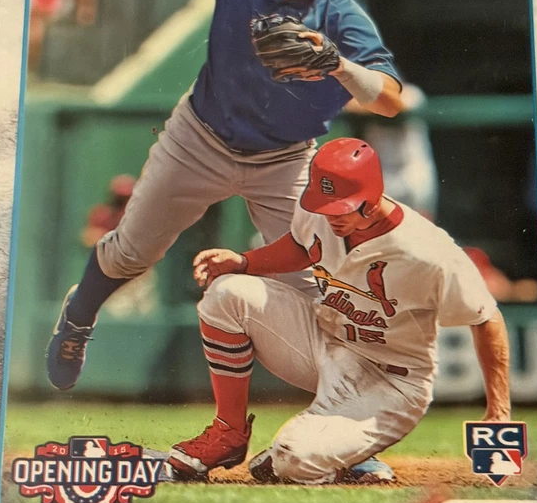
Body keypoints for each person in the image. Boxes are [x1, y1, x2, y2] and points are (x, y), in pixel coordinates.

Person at [46, 0, 404, 390]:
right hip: (200, 140)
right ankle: (79, 316)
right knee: (131, 252)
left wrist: (340, 65)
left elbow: (391, 101)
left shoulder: (340, 13)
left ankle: (344, 398)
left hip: (285, 159)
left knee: (314, 282)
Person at [166, 138, 511, 485]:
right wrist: (244, 261)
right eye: (323, 204)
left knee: (293, 459)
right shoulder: (321, 213)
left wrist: (498, 411)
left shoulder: (428, 252)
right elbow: (303, 246)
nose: (329, 215)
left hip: (390, 381)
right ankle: (229, 432)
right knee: (226, 294)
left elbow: (486, 319)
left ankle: (341, 453)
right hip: (325, 344)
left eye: (340, 208)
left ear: (371, 199)